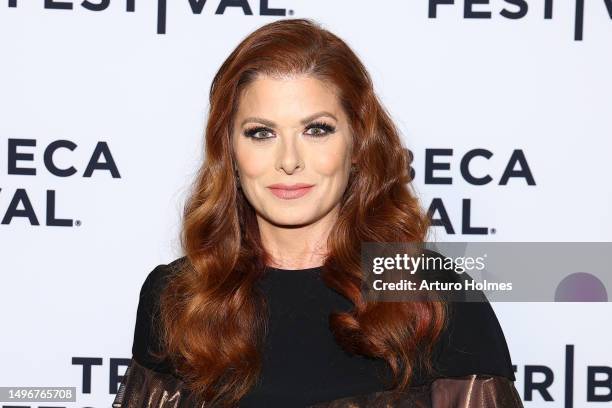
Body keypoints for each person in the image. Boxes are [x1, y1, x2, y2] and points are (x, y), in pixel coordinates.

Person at [112, 18, 523, 408]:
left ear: (359, 144)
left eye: (316, 130)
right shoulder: (180, 299)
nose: (289, 160)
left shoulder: (432, 295)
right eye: (261, 133)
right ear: (230, 152)